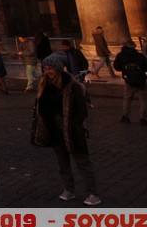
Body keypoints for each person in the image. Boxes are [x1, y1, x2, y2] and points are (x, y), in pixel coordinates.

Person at [35, 53, 99, 205]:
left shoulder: (73, 86)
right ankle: (69, 189)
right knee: (62, 162)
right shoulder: (44, 84)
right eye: (45, 68)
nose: (47, 72)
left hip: (71, 128)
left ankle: (93, 193)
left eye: (50, 68)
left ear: (58, 69)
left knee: (82, 162)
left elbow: (82, 111)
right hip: (54, 128)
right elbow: (41, 107)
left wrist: (72, 124)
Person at [112, 40, 147, 126]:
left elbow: (117, 67)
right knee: (143, 99)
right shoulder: (139, 56)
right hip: (141, 80)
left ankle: (125, 116)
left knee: (127, 99)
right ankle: (143, 118)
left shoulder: (120, 56)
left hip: (129, 80)